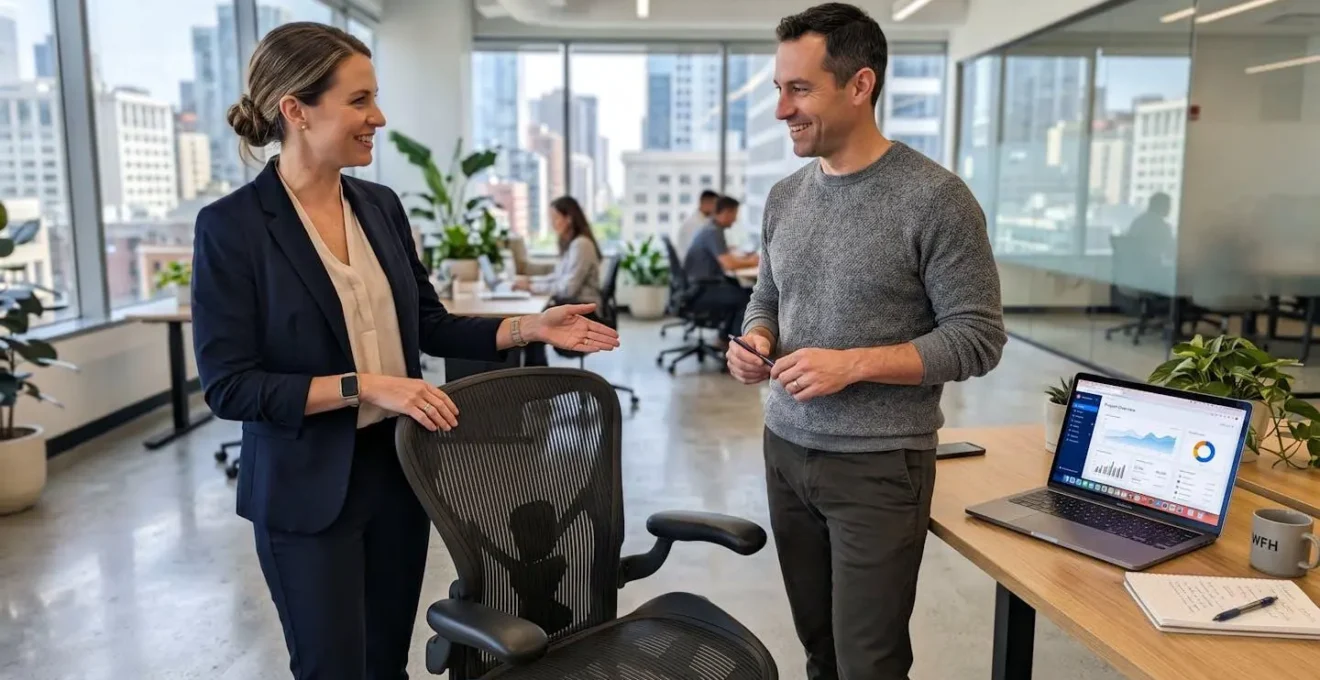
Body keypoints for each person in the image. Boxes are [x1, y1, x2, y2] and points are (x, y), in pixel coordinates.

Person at [190, 22, 619, 680]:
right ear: (296, 110)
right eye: (359, 101)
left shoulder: (380, 206)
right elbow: (230, 386)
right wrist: (367, 385)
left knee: (385, 659)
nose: (378, 118)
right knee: (333, 666)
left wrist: (530, 329)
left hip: (398, 470)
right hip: (307, 487)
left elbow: (426, 322)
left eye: (375, 97)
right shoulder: (232, 228)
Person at [725, 4, 1006, 679]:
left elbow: (977, 338)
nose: (781, 110)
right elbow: (769, 297)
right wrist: (757, 338)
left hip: (878, 469)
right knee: (820, 652)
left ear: (860, 85)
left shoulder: (936, 199)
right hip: (786, 451)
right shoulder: (786, 196)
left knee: (867, 663)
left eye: (799, 90)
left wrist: (853, 365)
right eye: (778, 89)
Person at [515, 195, 602, 365]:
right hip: (574, 305)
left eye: (555, 218)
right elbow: (556, 277)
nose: (553, 224)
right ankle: (535, 379)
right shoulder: (572, 244)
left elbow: (568, 289)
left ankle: (536, 382)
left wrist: (532, 287)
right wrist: (530, 283)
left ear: (568, 219)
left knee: (532, 326)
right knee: (530, 323)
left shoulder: (581, 245)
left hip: (586, 311)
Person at [683, 196, 758, 342]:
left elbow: (725, 256)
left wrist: (744, 259)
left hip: (699, 286)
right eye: (734, 214)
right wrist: (753, 261)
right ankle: (735, 344)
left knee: (744, 291)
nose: (734, 220)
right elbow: (728, 264)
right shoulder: (712, 231)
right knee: (748, 299)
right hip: (700, 290)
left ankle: (724, 337)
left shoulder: (711, 227)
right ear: (726, 212)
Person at [1126, 192, 1175, 261]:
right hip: (1150, 266)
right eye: (1168, 205)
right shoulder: (1161, 226)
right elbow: (1170, 251)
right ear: (1161, 206)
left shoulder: (1138, 221)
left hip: (1135, 265)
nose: (1170, 209)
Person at [676, 189, 720, 258]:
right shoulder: (694, 224)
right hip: (692, 265)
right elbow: (697, 251)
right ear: (706, 203)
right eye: (716, 205)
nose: (717, 209)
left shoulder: (704, 221)